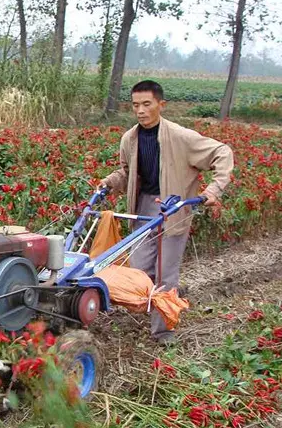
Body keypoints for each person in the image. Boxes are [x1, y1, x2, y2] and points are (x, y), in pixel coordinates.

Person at [99, 80, 234, 344]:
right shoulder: (130, 138)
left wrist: (213, 191)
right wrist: (110, 182)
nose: (140, 110)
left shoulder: (181, 136)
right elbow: (127, 173)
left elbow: (222, 152)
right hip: (143, 206)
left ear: (161, 105)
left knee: (166, 271)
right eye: (136, 105)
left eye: (147, 104)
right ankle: (155, 304)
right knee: (140, 267)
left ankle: (163, 331)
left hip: (174, 207)